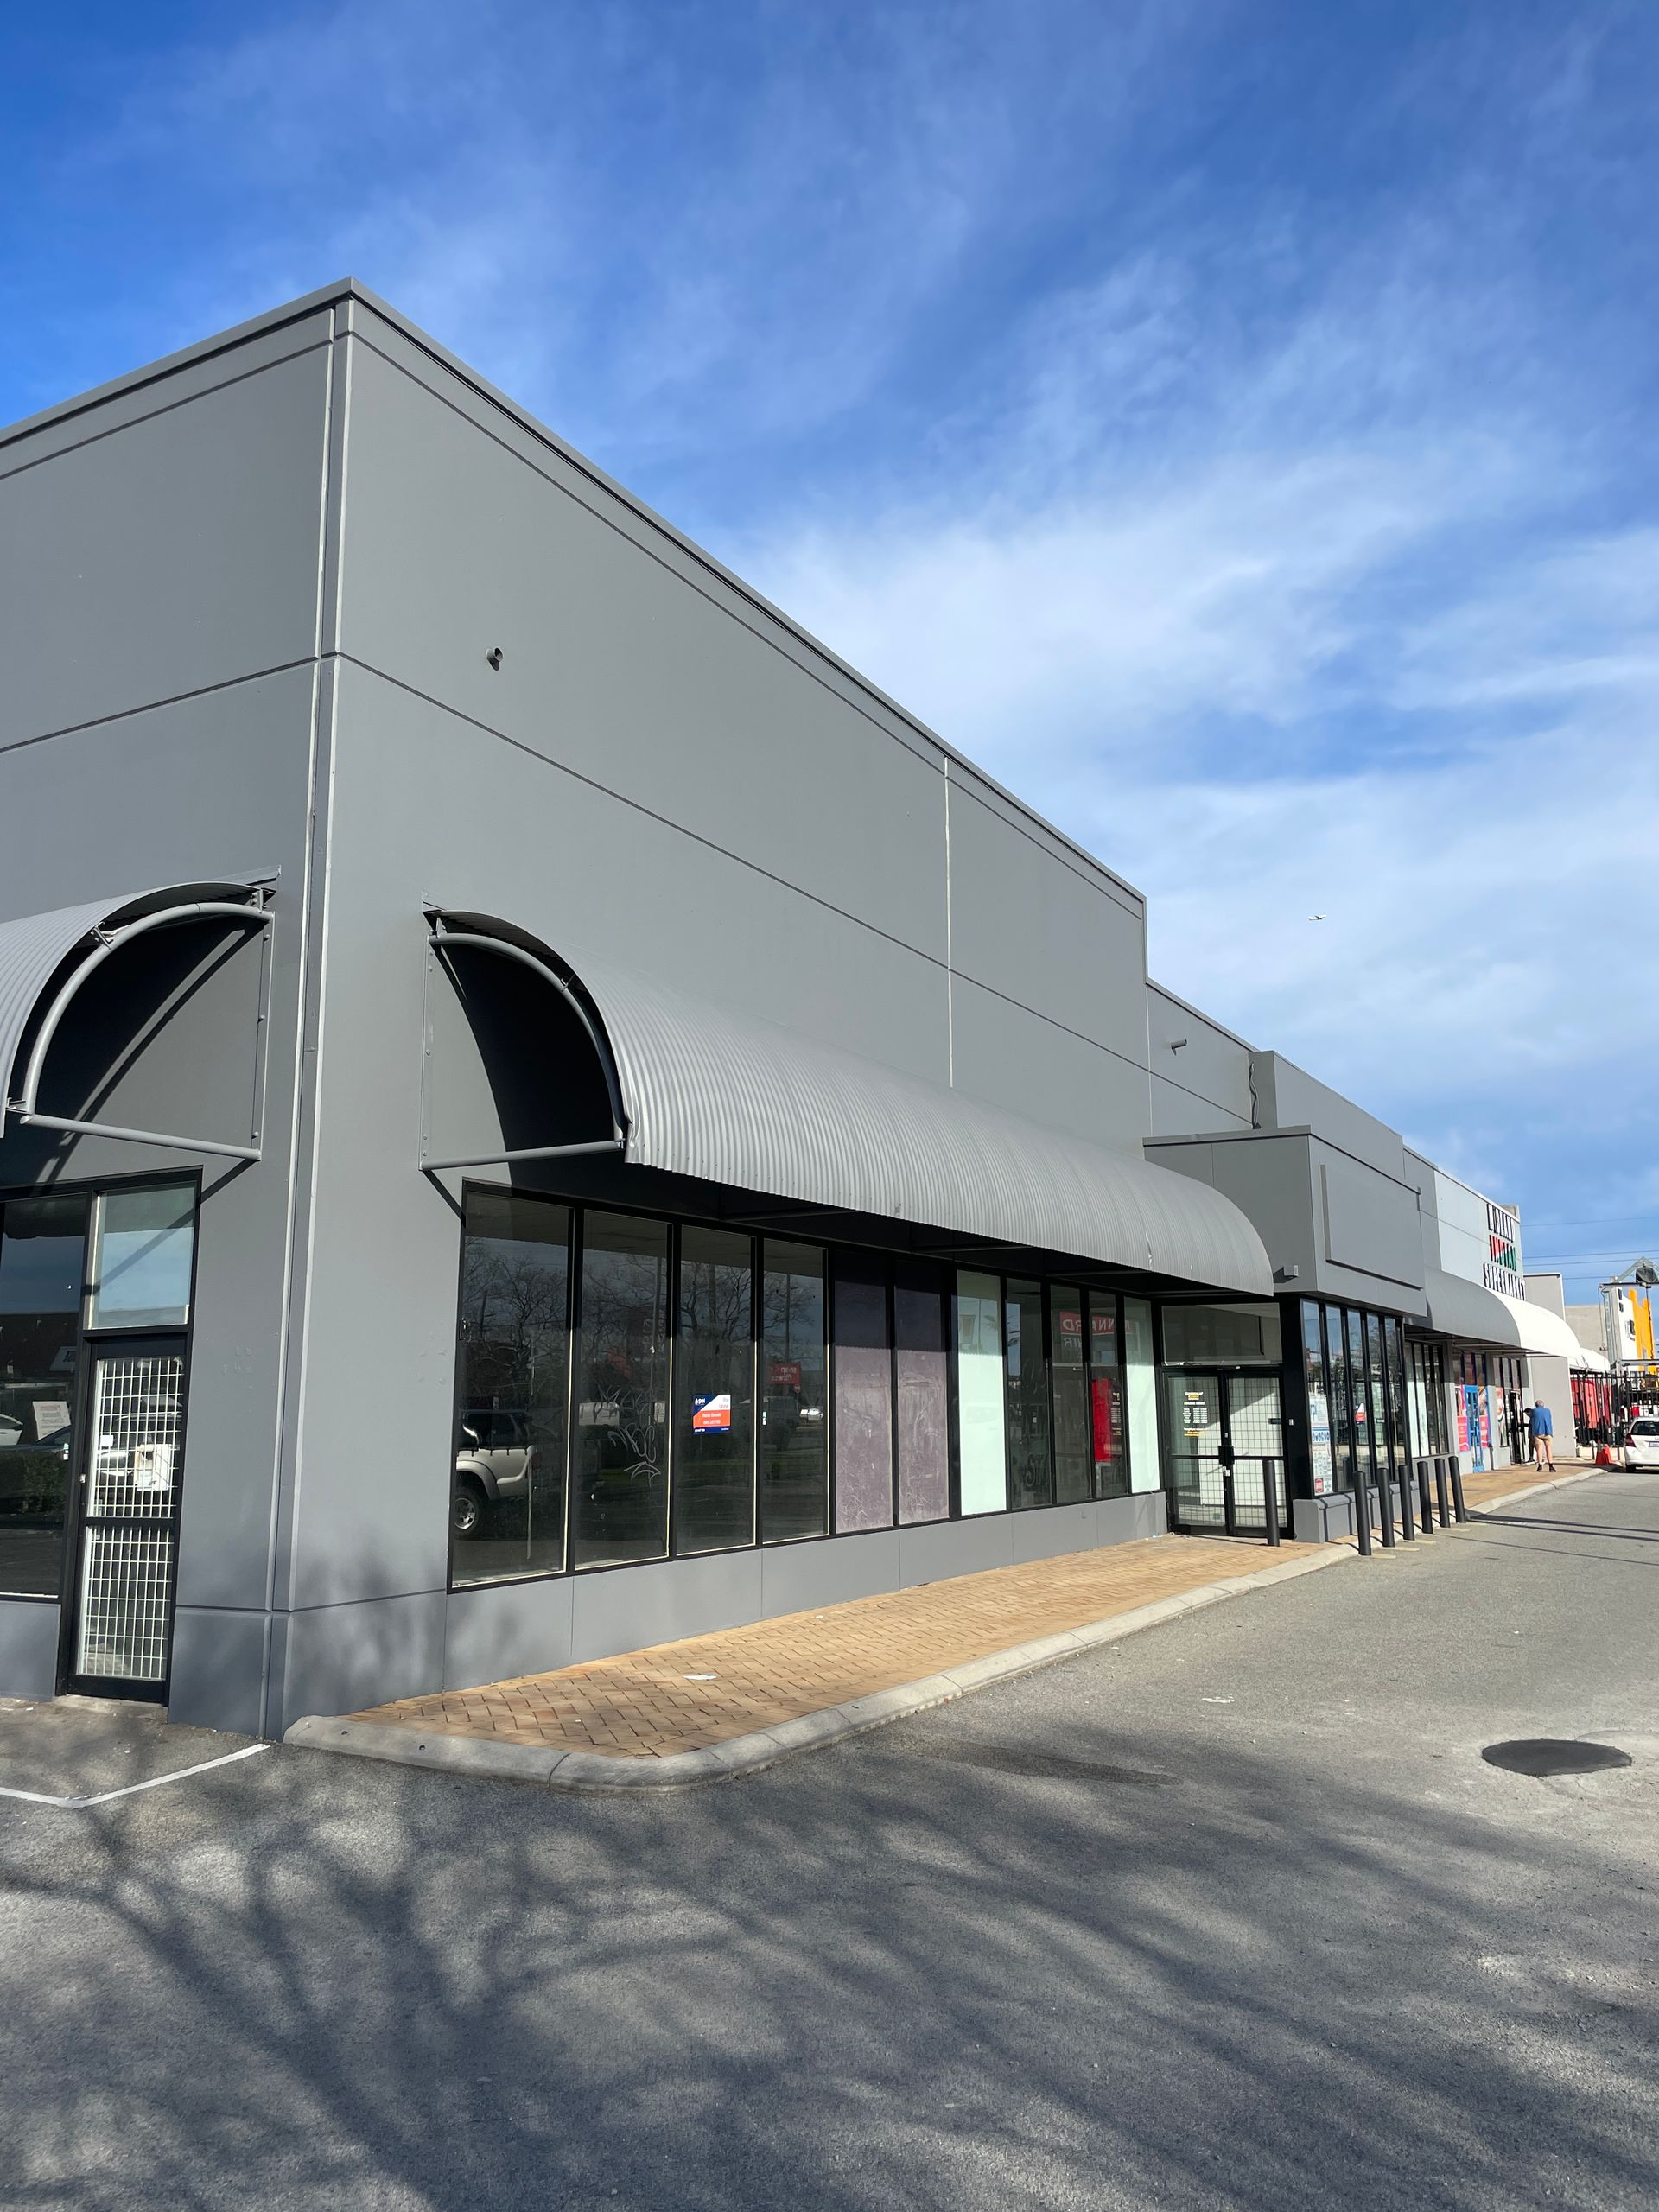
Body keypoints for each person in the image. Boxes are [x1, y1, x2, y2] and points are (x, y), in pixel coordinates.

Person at [1528, 1400, 1555, 1471]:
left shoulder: (1534, 1411)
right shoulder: (1548, 1411)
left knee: (1539, 1449)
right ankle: (1551, 1466)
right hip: (1548, 1432)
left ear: (1536, 1405)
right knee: (1548, 1449)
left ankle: (1540, 1466)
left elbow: (1531, 1419)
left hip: (1538, 1432)